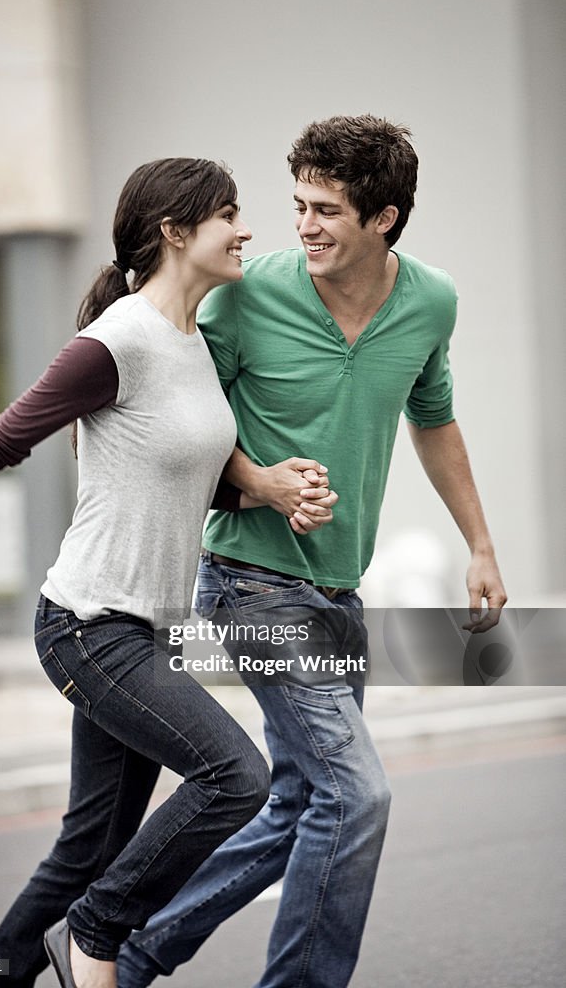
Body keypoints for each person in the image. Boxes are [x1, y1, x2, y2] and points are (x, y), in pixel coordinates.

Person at [0, 157, 338, 988]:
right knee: (234, 777)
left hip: (144, 628)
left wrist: (269, 490)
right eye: (227, 215)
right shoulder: (116, 340)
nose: (246, 230)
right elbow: (1, 440)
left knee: (85, 847)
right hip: (89, 625)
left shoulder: (192, 341)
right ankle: (93, 932)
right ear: (174, 231)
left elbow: (179, 479)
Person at [116, 116, 509, 988]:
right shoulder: (246, 294)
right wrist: (258, 481)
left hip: (338, 590)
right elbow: (173, 422)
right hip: (248, 585)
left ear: (386, 218)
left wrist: (479, 544)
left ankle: (122, 951)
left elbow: (432, 418)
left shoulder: (430, 301)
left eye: (326, 209)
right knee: (354, 796)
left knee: (301, 802)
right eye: (296, 204)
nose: (303, 226)